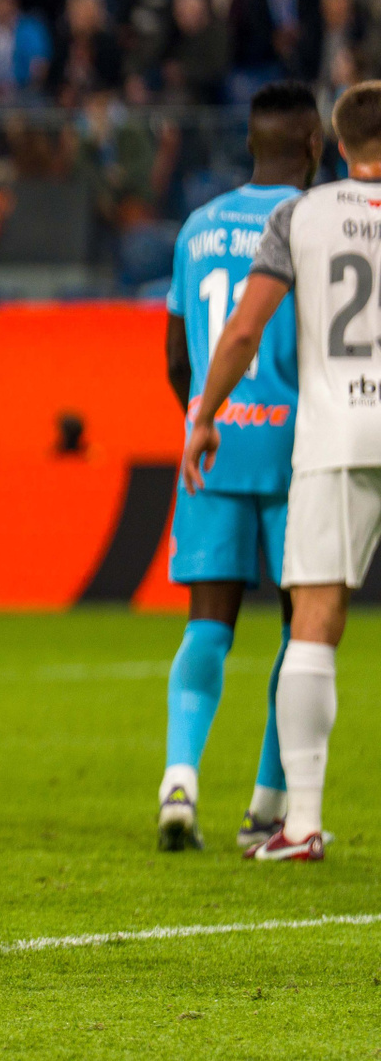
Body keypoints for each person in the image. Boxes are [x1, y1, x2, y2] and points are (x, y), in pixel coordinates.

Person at [182, 78, 381, 863]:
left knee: (314, 625)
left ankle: (299, 824)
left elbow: (241, 332)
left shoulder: (301, 215)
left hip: (336, 435)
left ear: (336, 145)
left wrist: (205, 416)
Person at [157, 80, 320, 853]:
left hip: (213, 442)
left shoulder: (197, 226)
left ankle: (178, 782)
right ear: (316, 146)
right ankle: (266, 805)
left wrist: (204, 417)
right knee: (302, 629)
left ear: (250, 144)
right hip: (298, 451)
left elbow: (173, 355)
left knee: (207, 626)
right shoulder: (316, 222)